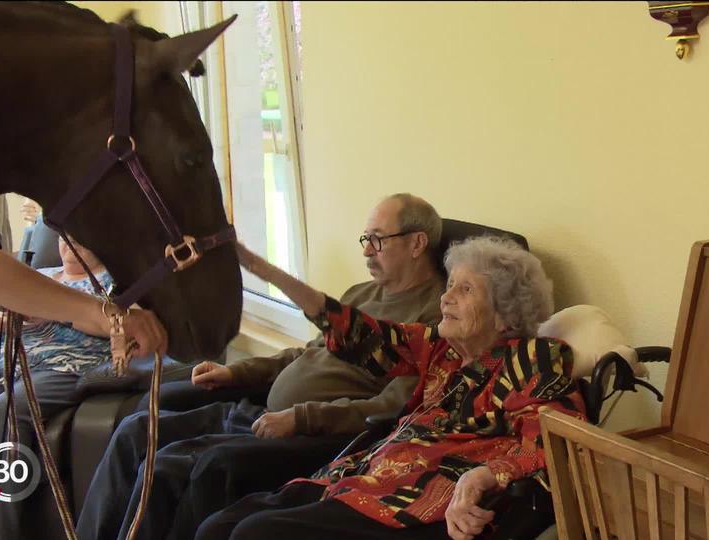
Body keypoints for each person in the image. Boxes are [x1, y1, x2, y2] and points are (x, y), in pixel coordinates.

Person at [77, 193, 446, 540]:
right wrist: (239, 372)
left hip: (303, 433)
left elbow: (391, 410)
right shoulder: (361, 294)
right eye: (365, 238)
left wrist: (299, 418)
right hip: (260, 409)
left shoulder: (432, 321)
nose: (367, 250)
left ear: (417, 244)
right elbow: (304, 354)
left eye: (378, 239)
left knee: (163, 468)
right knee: (135, 429)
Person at [194, 235, 587, 540]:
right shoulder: (442, 349)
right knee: (218, 526)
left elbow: (553, 444)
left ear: (505, 316)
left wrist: (484, 476)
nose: (446, 298)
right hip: (361, 479)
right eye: (450, 285)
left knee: (255, 534)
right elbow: (359, 334)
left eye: (466, 290)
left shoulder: (534, 360)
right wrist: (264, 269)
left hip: (416, 503)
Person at [0, 196, 167, 540]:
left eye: (79, 235)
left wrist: (94, 313)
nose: (69, 242)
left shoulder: (113, 287)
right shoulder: (39, 275)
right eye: (64, 236)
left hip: (57, 365)